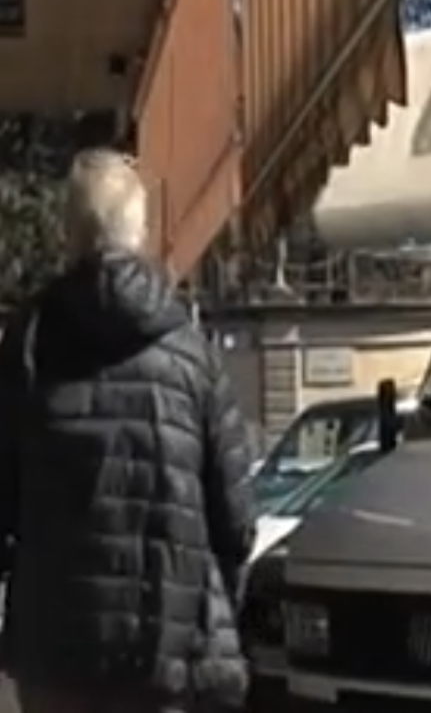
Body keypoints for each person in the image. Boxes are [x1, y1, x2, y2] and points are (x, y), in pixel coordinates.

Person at [0, 150, 255, 713]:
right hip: (166, 656)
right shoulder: (191, 356)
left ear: (68, 234)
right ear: (140, 233)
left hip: (57, 661)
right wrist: (204, 609)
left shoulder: (28, 344)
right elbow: (235, 522)